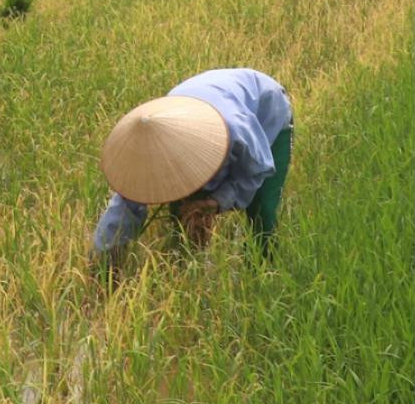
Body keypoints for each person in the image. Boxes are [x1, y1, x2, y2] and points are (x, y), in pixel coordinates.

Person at [91, 68, 293, 269]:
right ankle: (183, 263)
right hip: (204, 96)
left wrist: (217, 201)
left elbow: (255, 170)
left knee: (261, 209)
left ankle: (260, 271)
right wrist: (104, 260)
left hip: (267, 115)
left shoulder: (236, 128)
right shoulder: (148, 151)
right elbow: (125, 205)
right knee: (183, 202)